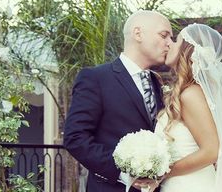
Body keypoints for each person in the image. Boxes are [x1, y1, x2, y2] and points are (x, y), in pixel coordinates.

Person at [64, 10, 173, 192]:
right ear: (138, 34)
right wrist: (125, 172)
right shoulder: (96, 78)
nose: (169, 43)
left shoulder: (157, 83)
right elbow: (75, 138)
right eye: (164, 35)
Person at [154, 23, 222, 192]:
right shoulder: (191, 91)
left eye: (175, 41)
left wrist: (163, 172)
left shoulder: (191, 94)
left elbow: (211, 151)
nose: (169, 44)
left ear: (187, 50)